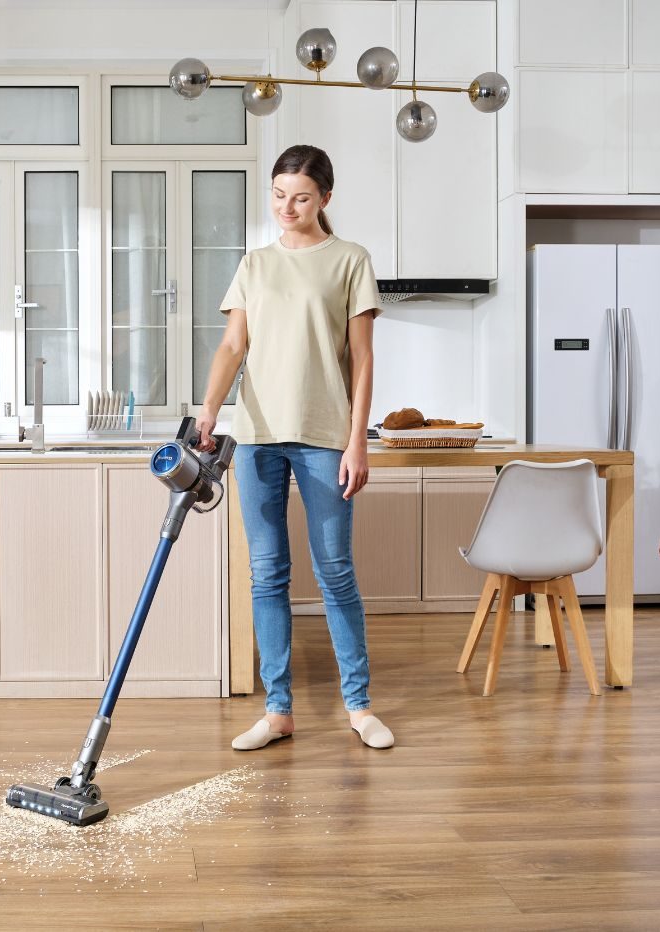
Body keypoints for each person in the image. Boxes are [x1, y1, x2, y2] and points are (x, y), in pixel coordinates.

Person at [195, 144, 393, 751]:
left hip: (324, 437)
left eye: (301, 197)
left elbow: (362, 358)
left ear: (325, 199)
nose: (288, 207)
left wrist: (357, 442)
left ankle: (359, 708)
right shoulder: (254, 264)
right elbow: (233, 346)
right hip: (255, 438)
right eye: (279, 196)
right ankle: (277, 710)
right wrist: (208, 410)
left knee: (335, 572)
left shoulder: (349, 260)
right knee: (266, 575)